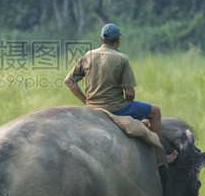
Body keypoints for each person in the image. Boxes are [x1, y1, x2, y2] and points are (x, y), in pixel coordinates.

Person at [64, 23, 169, 168]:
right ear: (118, 40)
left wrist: (86, 101)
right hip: (117, 108)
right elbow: (130, 93)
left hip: (92, 107)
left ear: (101, 39)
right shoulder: (122, 59)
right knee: (155, 112)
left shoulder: (88, 55)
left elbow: (69, 81)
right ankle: (159, 157)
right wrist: (128, 100)